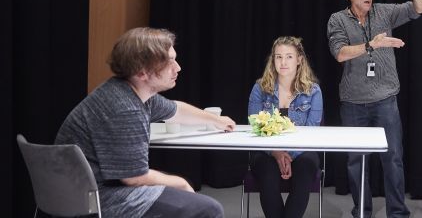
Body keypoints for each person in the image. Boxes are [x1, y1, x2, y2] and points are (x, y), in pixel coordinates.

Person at [55, 27, 236, 218]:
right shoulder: (125, 107)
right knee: (209, 209)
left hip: (81, 192)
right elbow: (134, 178)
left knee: (180, 191)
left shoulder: (131, 92)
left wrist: (217, 120)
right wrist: (181, 183)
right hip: (98, 199)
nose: (178, 67)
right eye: (169, 62)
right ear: (142, 72)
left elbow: (176, 110)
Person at [327, 0, 422, 218]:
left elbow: (421, 8)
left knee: (393, 158)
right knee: (356, 162)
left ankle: (397, 213)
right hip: (353, 102)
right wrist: (371, 45)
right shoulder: (338, 19)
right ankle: (362, 211)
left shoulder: (384, 12)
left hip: (386, 100)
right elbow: (339, 53)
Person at [247, 36, 323, 218]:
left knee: (304, 171)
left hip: (303, 150)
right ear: (273, 60)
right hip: (266, 151)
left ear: (299, 60)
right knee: (268, 175)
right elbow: (255, 126)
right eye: (278, 56)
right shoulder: (260, 88)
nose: (283, 62)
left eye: (289, 56)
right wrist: (276, 152)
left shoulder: (313, 91)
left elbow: (311, 131)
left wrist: (289, 155)